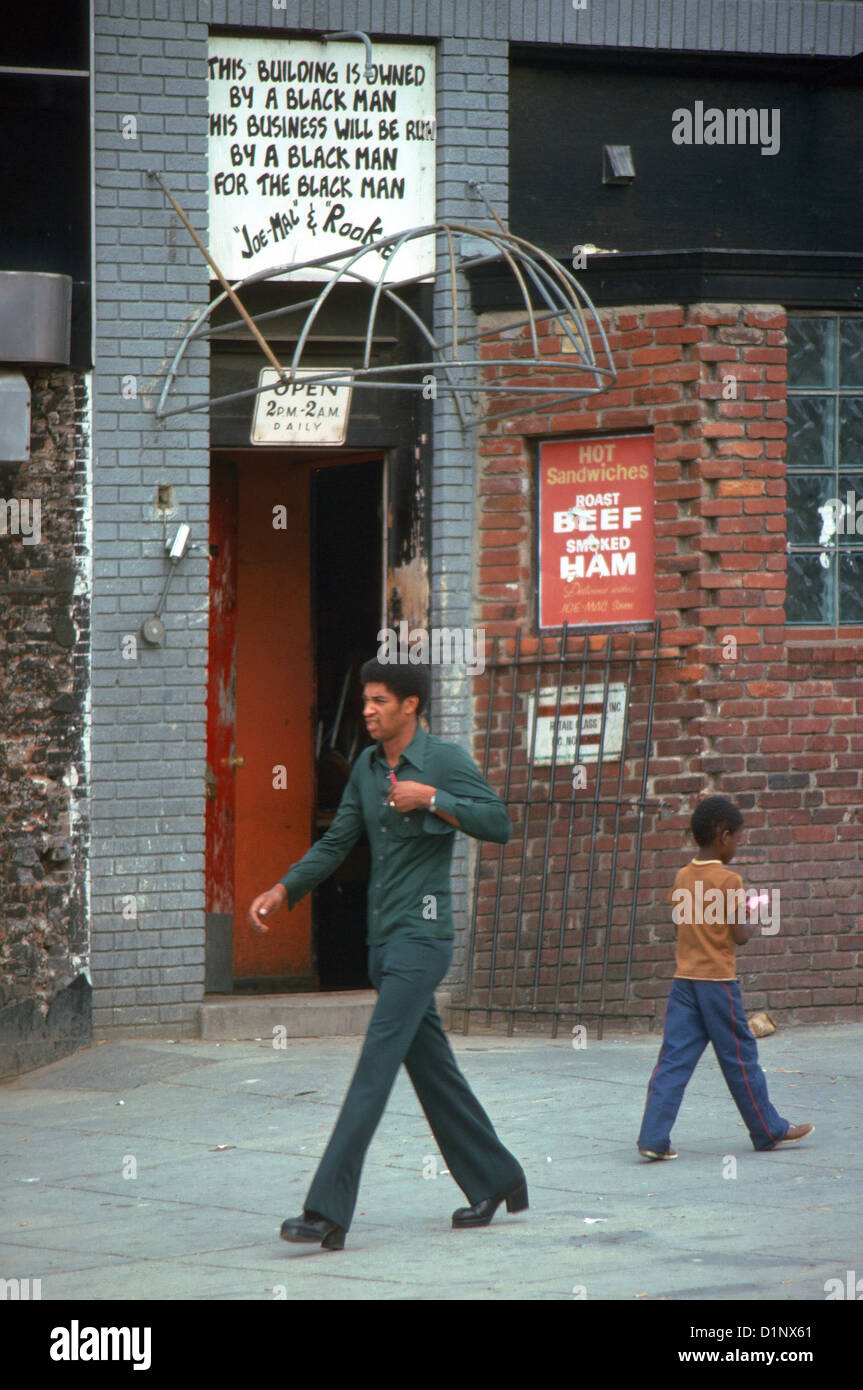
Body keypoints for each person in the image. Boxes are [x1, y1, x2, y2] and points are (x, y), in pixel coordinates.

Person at [249, 658, 527, 1250]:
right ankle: (497, 1177)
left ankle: (326, 1210)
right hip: (383, 945)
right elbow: (337, 841)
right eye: (365, 700)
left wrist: (434, 798)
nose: (368, 710)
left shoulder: (444, 761)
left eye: (379, 700)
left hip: (422, 941)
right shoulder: (366, 771)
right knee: (435, 1074)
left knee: (373, 1072)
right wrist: (285, 888)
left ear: (410, 706)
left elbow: (499, 824)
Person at [636, 795, 814, 1160]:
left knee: (673, 1059)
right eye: (737, 838)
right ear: (722, 835)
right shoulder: (729, 880)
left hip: (684, 982)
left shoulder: (683, 875)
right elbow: (740, 935)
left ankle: (653, 1138)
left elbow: (684, 919)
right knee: (740, 1057)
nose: (738, 845)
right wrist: (753, 909)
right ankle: (767, 1130)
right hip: (718, 984)